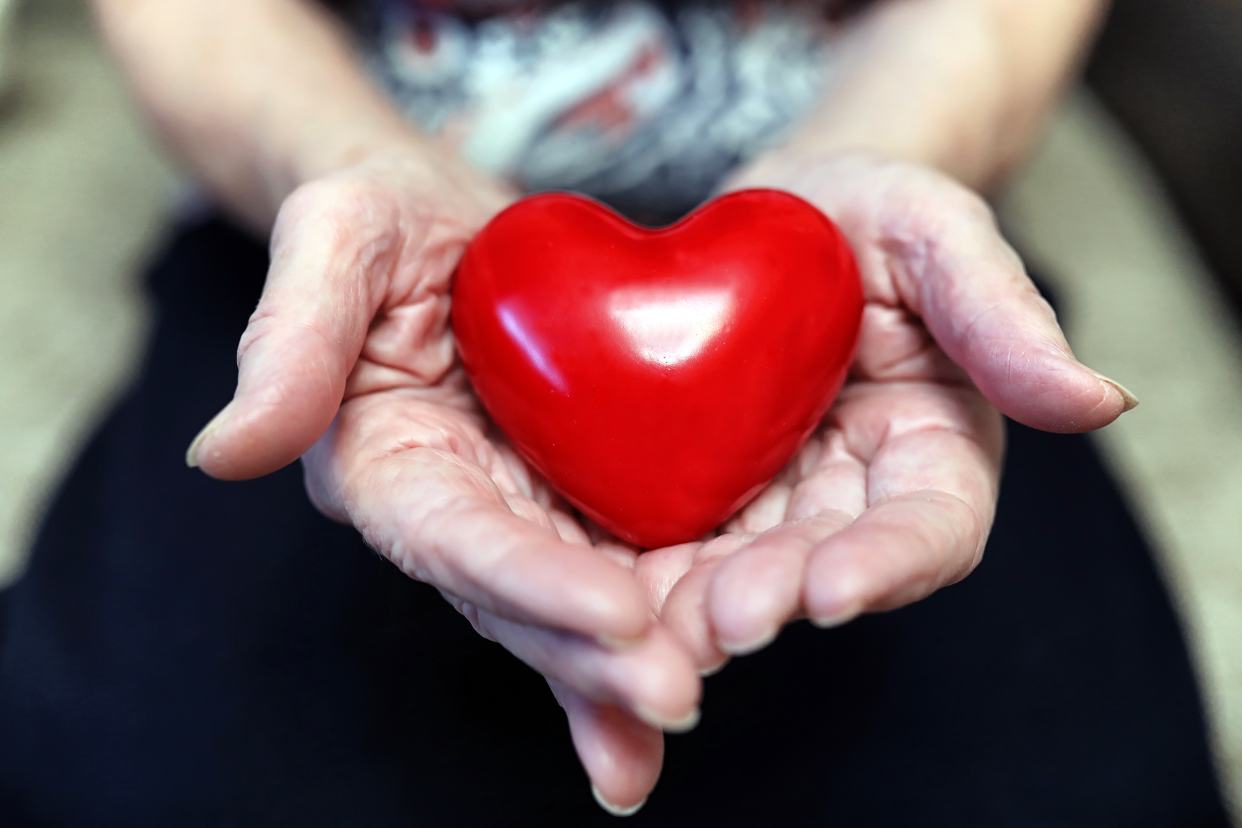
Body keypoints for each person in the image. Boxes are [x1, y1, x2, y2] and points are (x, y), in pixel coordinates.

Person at [0, 0, 1230, 823]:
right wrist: (331, 162)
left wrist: (898, 143)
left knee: (1105, 790)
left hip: (839, 278)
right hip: (341, 211)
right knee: (104, 769)